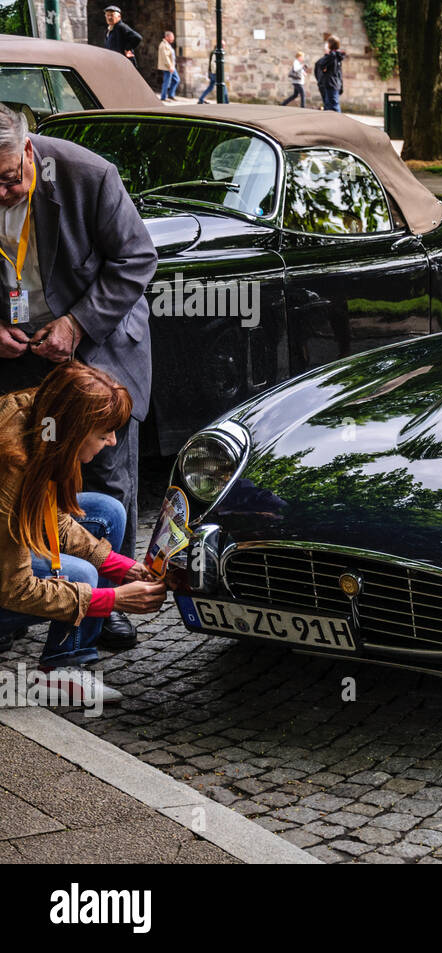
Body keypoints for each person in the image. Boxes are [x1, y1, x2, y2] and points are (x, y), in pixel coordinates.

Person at [0, 104, 157, 651]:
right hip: (15, 346)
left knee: (105, 473)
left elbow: (137, 258)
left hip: (96, 337)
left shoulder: (88, 173)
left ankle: (103, 606)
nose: (0, 192)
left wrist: (76, 322)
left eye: (8, 178)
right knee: (21, 465)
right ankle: (23, 597)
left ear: (28, 150)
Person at [0, 363, 166, 703]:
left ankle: (63, 664)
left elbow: (51, 518)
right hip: (7, 583)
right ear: (74, 431)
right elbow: (14, 590)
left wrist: (119, 565)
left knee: (107, 512)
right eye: (104, 433)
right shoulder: (11, 465)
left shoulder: (41, 420)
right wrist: (112, 599)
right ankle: (60, 674)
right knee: (81, 574)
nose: (112, 441)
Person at [314, 37, 345, 113]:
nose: (326, 45)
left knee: (334, 106)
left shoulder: (333, 55)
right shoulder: (336, 55)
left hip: (331, 84)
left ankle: (341, 123)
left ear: (330, 44)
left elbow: (321, 64)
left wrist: (324, 68)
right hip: (331, 84)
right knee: (328, 106)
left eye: (327, 43)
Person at [157, 30, 179, 102]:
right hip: (168, 67)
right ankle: (163, 97)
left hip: (171, 66)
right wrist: (170, 66)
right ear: (167, 37)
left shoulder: (167, 44)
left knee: (176, 79)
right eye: (172, 37)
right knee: (167, 82)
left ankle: (171, 94)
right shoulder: (163, 45)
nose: (173, 39)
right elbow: (165, 57)